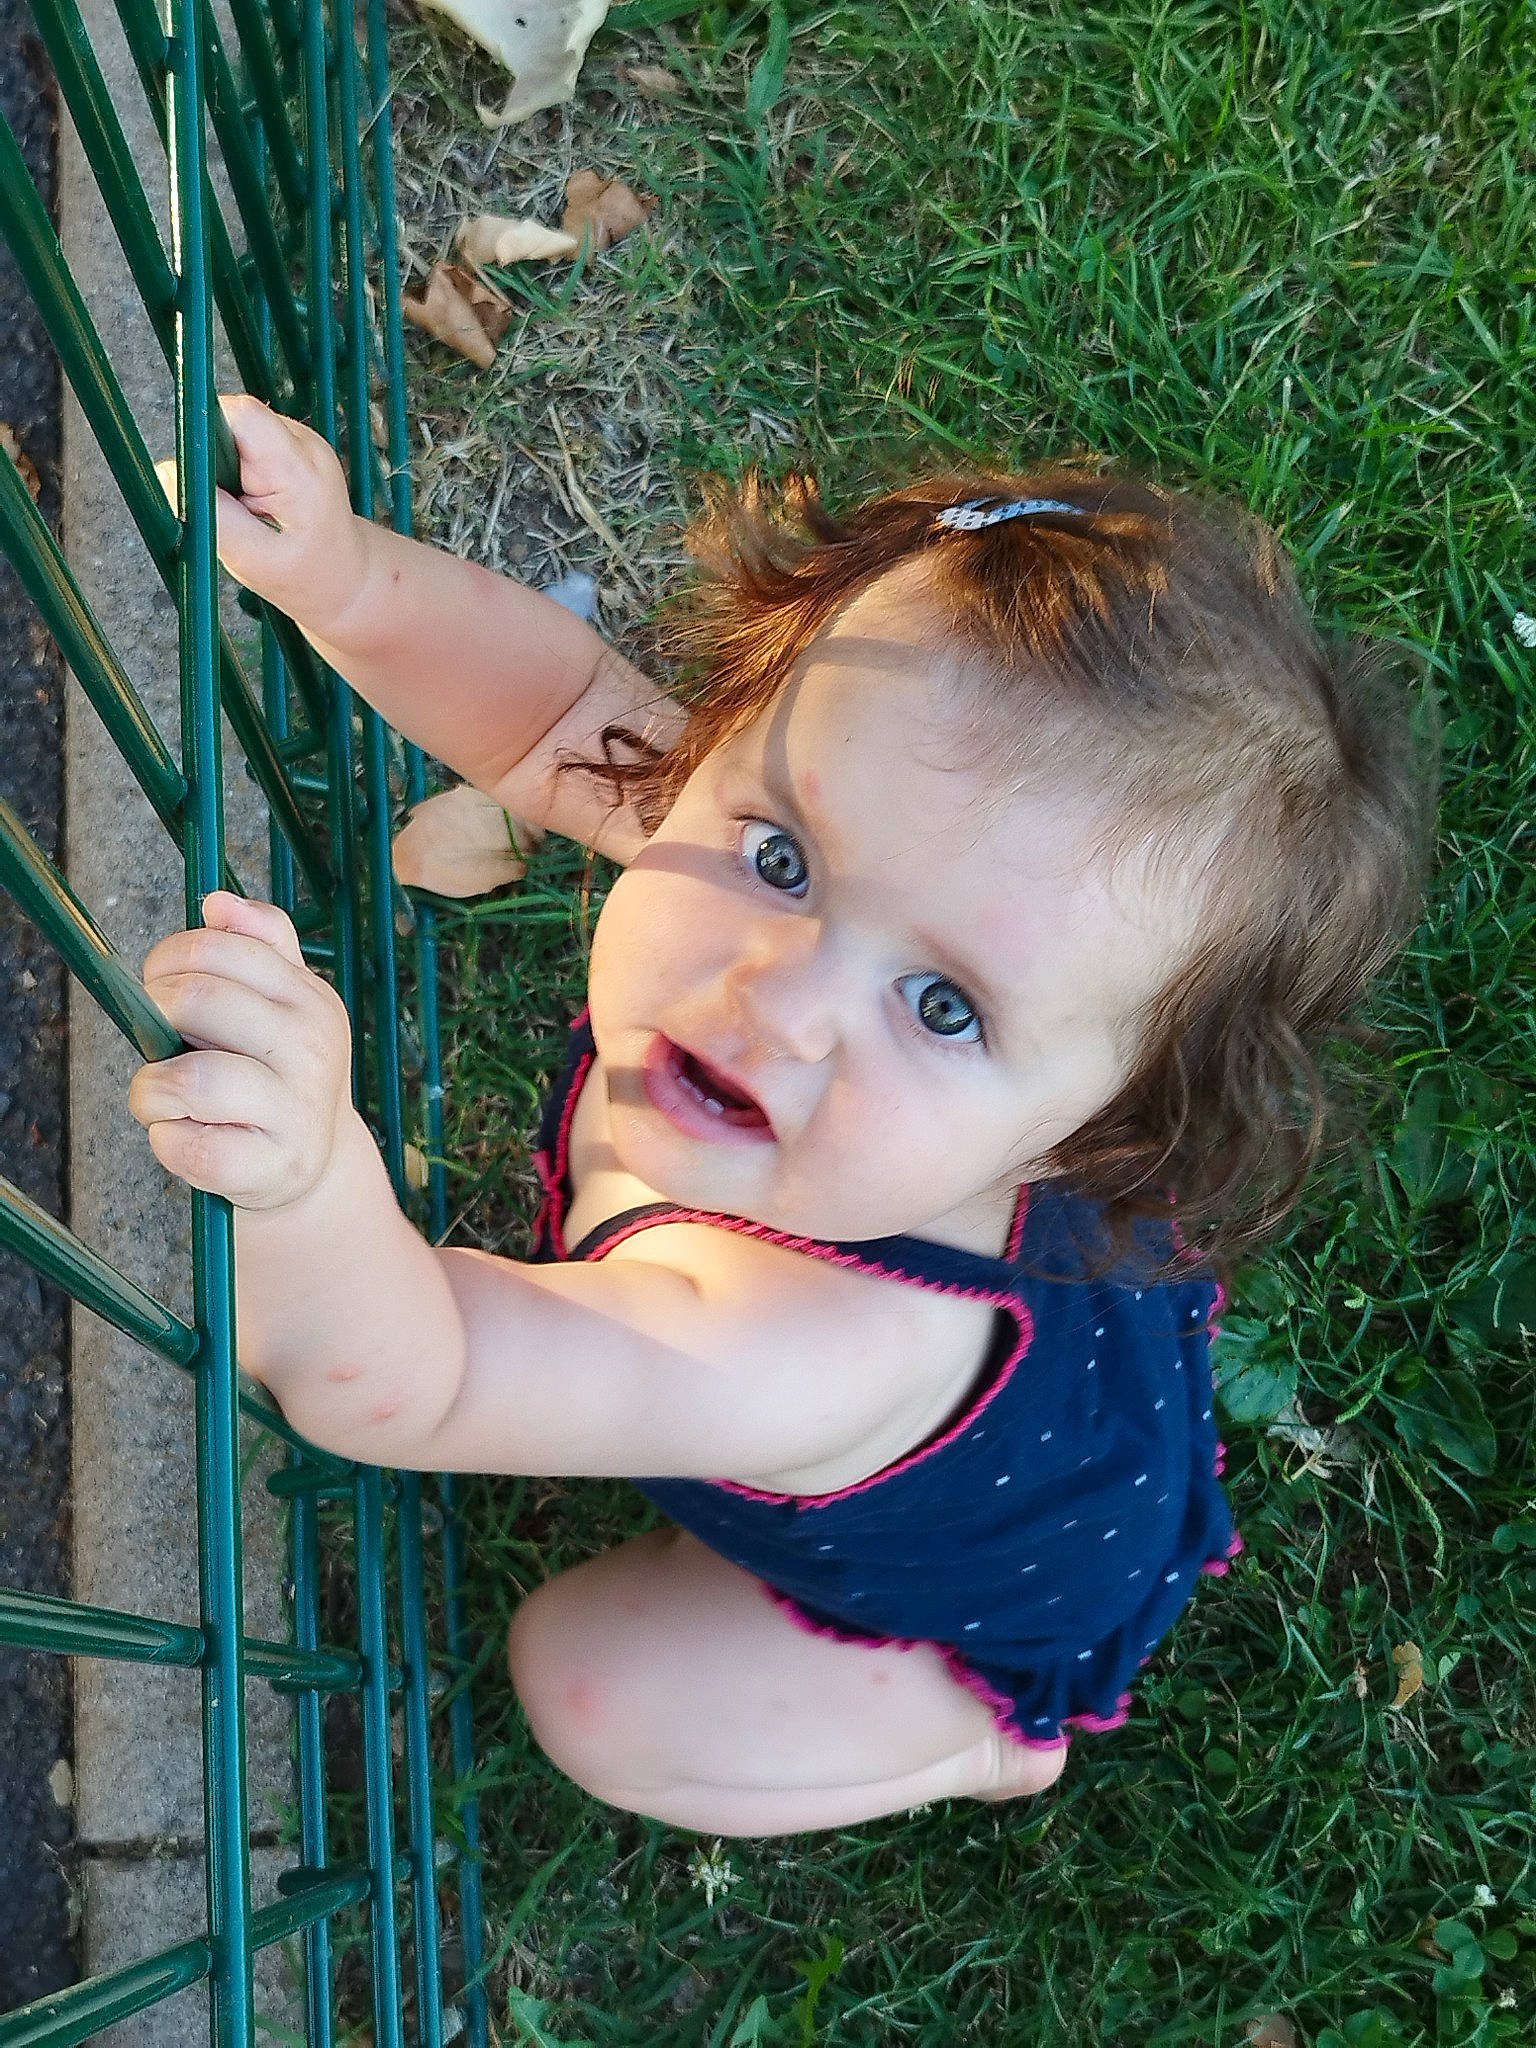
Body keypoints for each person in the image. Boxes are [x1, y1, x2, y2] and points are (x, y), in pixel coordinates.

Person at [134, 396, 1434, 1837]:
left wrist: (310, 1189)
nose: (781, 994)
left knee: (589, 1685)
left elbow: (419, 1379)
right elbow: (559, 713)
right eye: (780, 854)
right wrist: (343, 577)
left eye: (944, 1007)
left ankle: (974, 1745)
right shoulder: (838, 854)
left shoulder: (797, 1338)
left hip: (983, 1583)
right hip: (1044, 1378)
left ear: (1094, 1135)